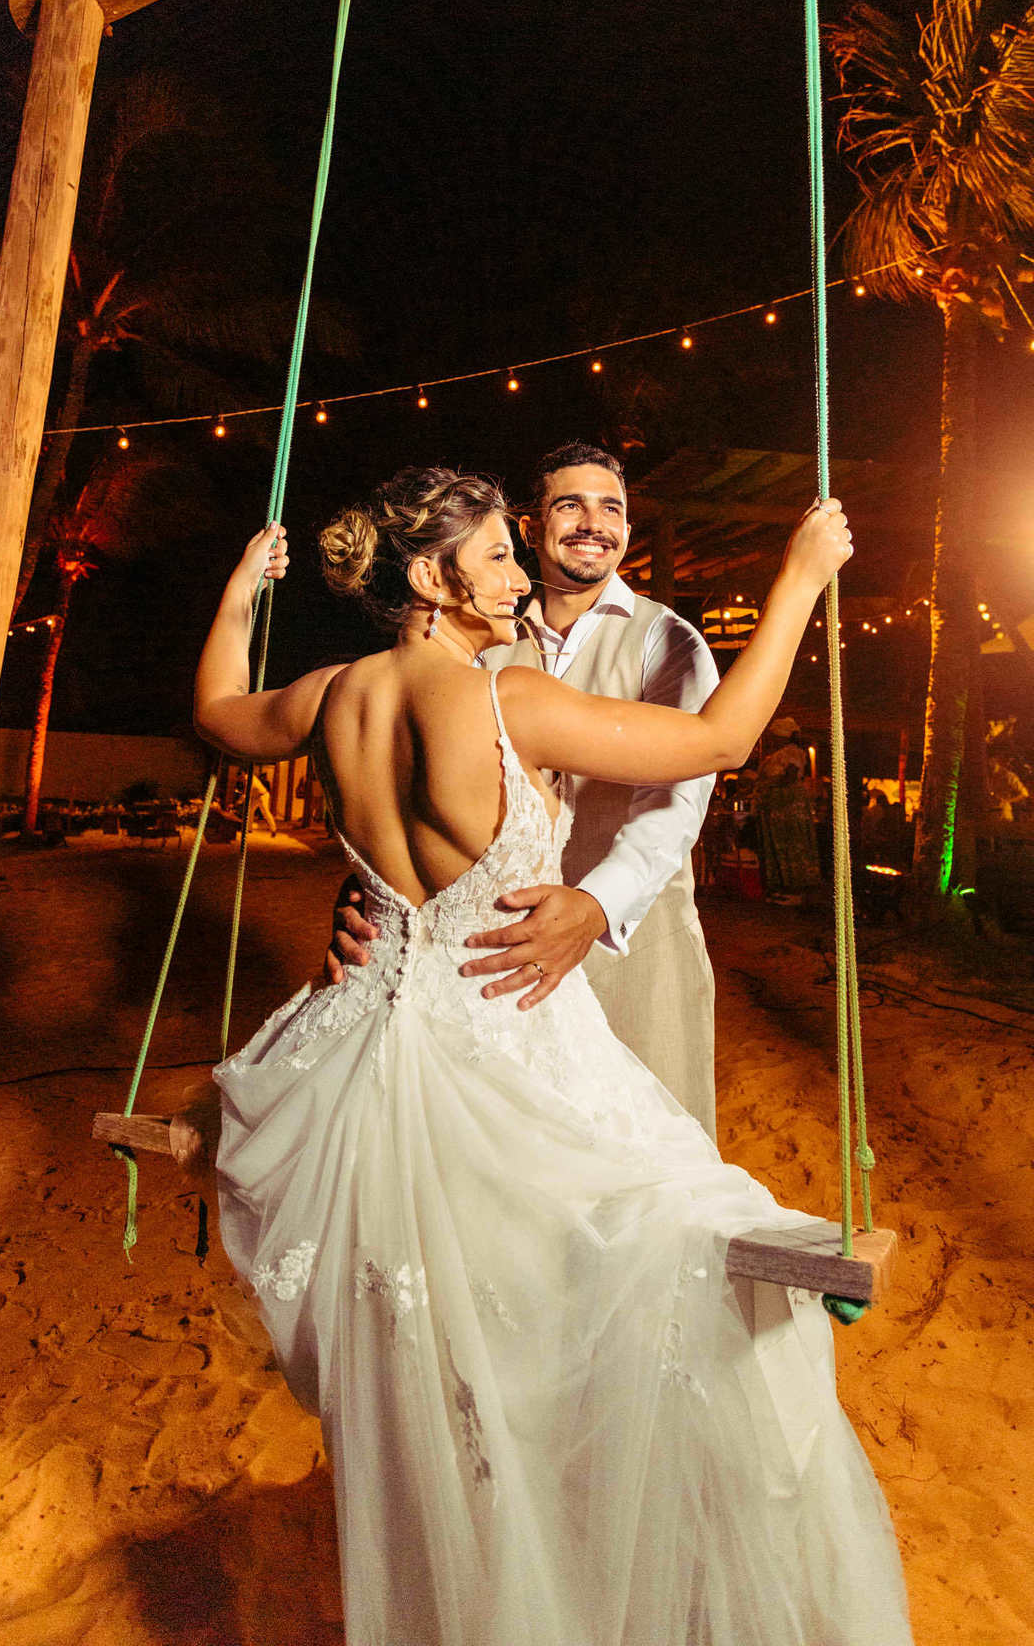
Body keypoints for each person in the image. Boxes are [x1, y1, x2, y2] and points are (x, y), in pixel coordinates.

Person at [194, 469, 911, 1646]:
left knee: (449, 1357)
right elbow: (722, 739)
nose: (521, 575)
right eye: (496, 559)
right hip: (504, 1049)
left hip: (362, 1056)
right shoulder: (501, 700)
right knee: (648, 1263)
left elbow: (220, 706)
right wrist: (800, 582)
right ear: (431, 580)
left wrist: (240, 586)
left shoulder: (331, 696)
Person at [331, 442, 722, 1137]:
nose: (594, 522)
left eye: (613, 509)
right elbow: (412, 781)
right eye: (570, 504)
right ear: (531, 526)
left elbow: (676, 801)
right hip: (497, 962)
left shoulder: (672, 641)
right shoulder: (483, 639)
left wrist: (596, 906)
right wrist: (373, 891)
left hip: (634, 951)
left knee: (649, 1174)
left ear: (629, 531)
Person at [754, 716, 820, 904]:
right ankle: (779, 885)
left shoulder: (791, 752)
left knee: (790, 842)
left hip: (787, 804)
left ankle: (794, 888)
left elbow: (790, 776)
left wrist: (769, 785)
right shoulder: (776, 755)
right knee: (777, 843)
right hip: (776, 804)